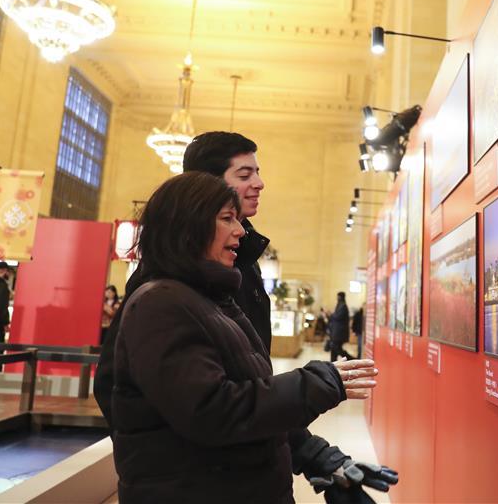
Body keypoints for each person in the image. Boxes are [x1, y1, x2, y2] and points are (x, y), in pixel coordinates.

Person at [95, 132, 398, 500]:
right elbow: (209, 409)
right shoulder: (162, 298)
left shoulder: (224, 282)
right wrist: (166, 468)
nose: (259, 183)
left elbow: (251, 390)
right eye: (244, 175)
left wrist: (316, 457)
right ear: (196, 205)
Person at [328, 292, 353, 362]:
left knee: (337, 349)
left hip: (339, 333)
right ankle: (333, 363)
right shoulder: (340, 305)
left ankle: (350, 359)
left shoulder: (343, 306)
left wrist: (331, 315)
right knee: (334, 348)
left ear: (340, 297)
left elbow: (337, 317)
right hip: (337, 332)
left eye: (338, 297)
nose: (337, 298)